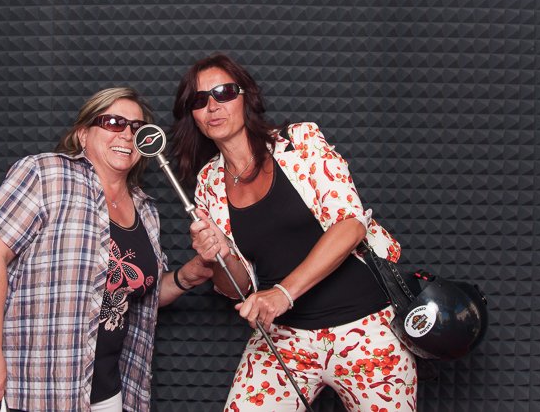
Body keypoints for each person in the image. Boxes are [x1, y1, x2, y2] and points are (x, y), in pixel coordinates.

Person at [170, 54, 418, 411]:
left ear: (246, 96)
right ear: (192, 114)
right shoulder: (208, 182)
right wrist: (219, 255)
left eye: (224, 92)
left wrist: (284, 293)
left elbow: (350, 224)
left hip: (366, 328)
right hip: (284, 336)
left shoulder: (300, 142)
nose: (213, 106)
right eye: (199, 99)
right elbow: (236, 288)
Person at [0, 87, 213, 412]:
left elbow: (132, 292)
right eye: (113, 122)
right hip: (29, 389)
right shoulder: (45, 174)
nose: (126, 134)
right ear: (82, 134)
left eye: (136, 127)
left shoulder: (146, 210)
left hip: (107, 393)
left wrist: (185, 278)